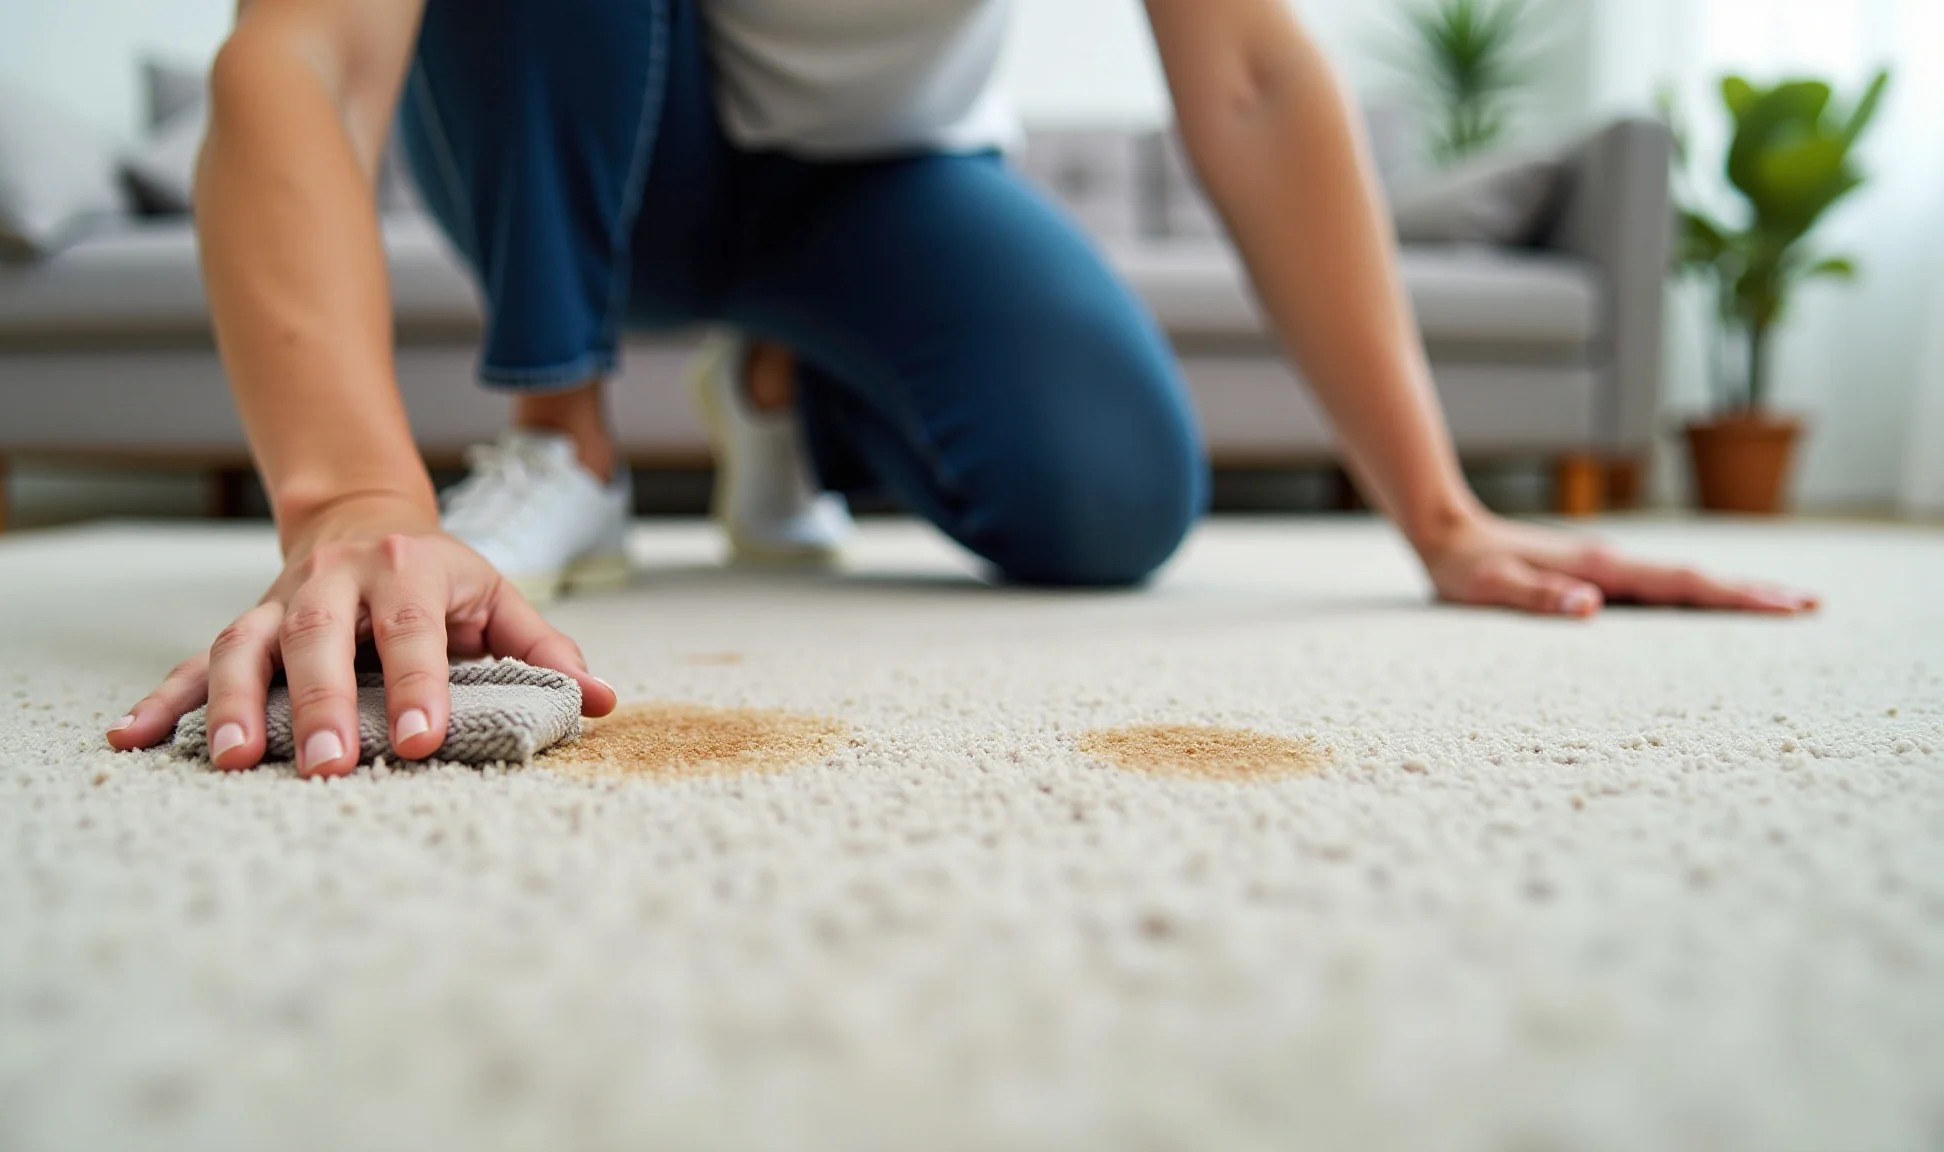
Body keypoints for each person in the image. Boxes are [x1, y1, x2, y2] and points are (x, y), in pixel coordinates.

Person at [106, 0, 1817, 777]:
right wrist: (351, 502)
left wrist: (1440, 515)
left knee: (1112, 494)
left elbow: (1253, 85)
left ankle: (781, 383)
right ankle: (570, 422)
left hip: (875, 188)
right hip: (606, 134)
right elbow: (302, 60)